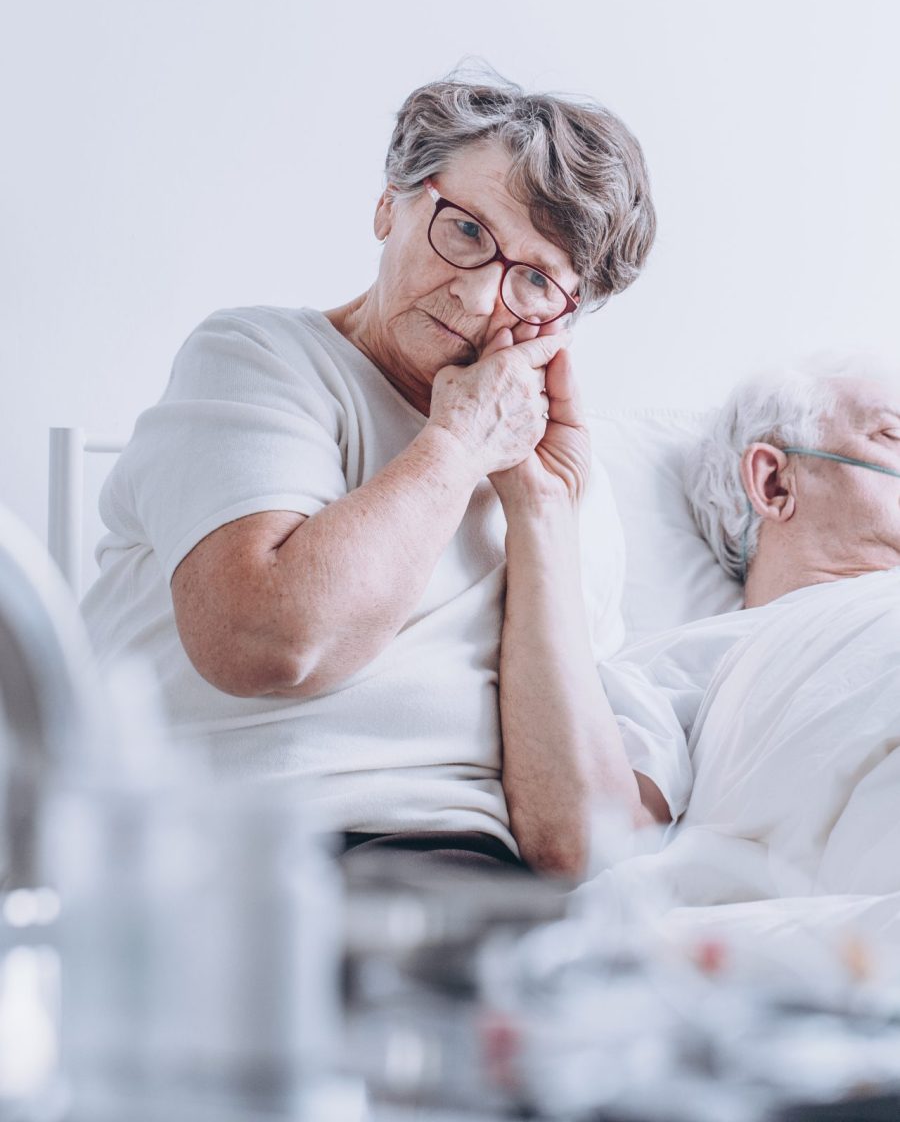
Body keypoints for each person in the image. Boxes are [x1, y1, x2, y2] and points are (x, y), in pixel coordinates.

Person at [81, 69, 657, 874]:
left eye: (534, 279)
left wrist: (540, 514)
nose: (480, 294)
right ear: (391, 204)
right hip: (226, 860)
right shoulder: (261, 358)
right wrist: (457, 444)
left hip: (463, 881)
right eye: (465, 231)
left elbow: (581, 847)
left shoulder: (568, 495)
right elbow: (269, 642)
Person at [517, 357, 900, 891]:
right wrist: (539, 509)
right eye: (892, 434)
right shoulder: (688, 666)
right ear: (774, 484)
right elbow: (588, 838)